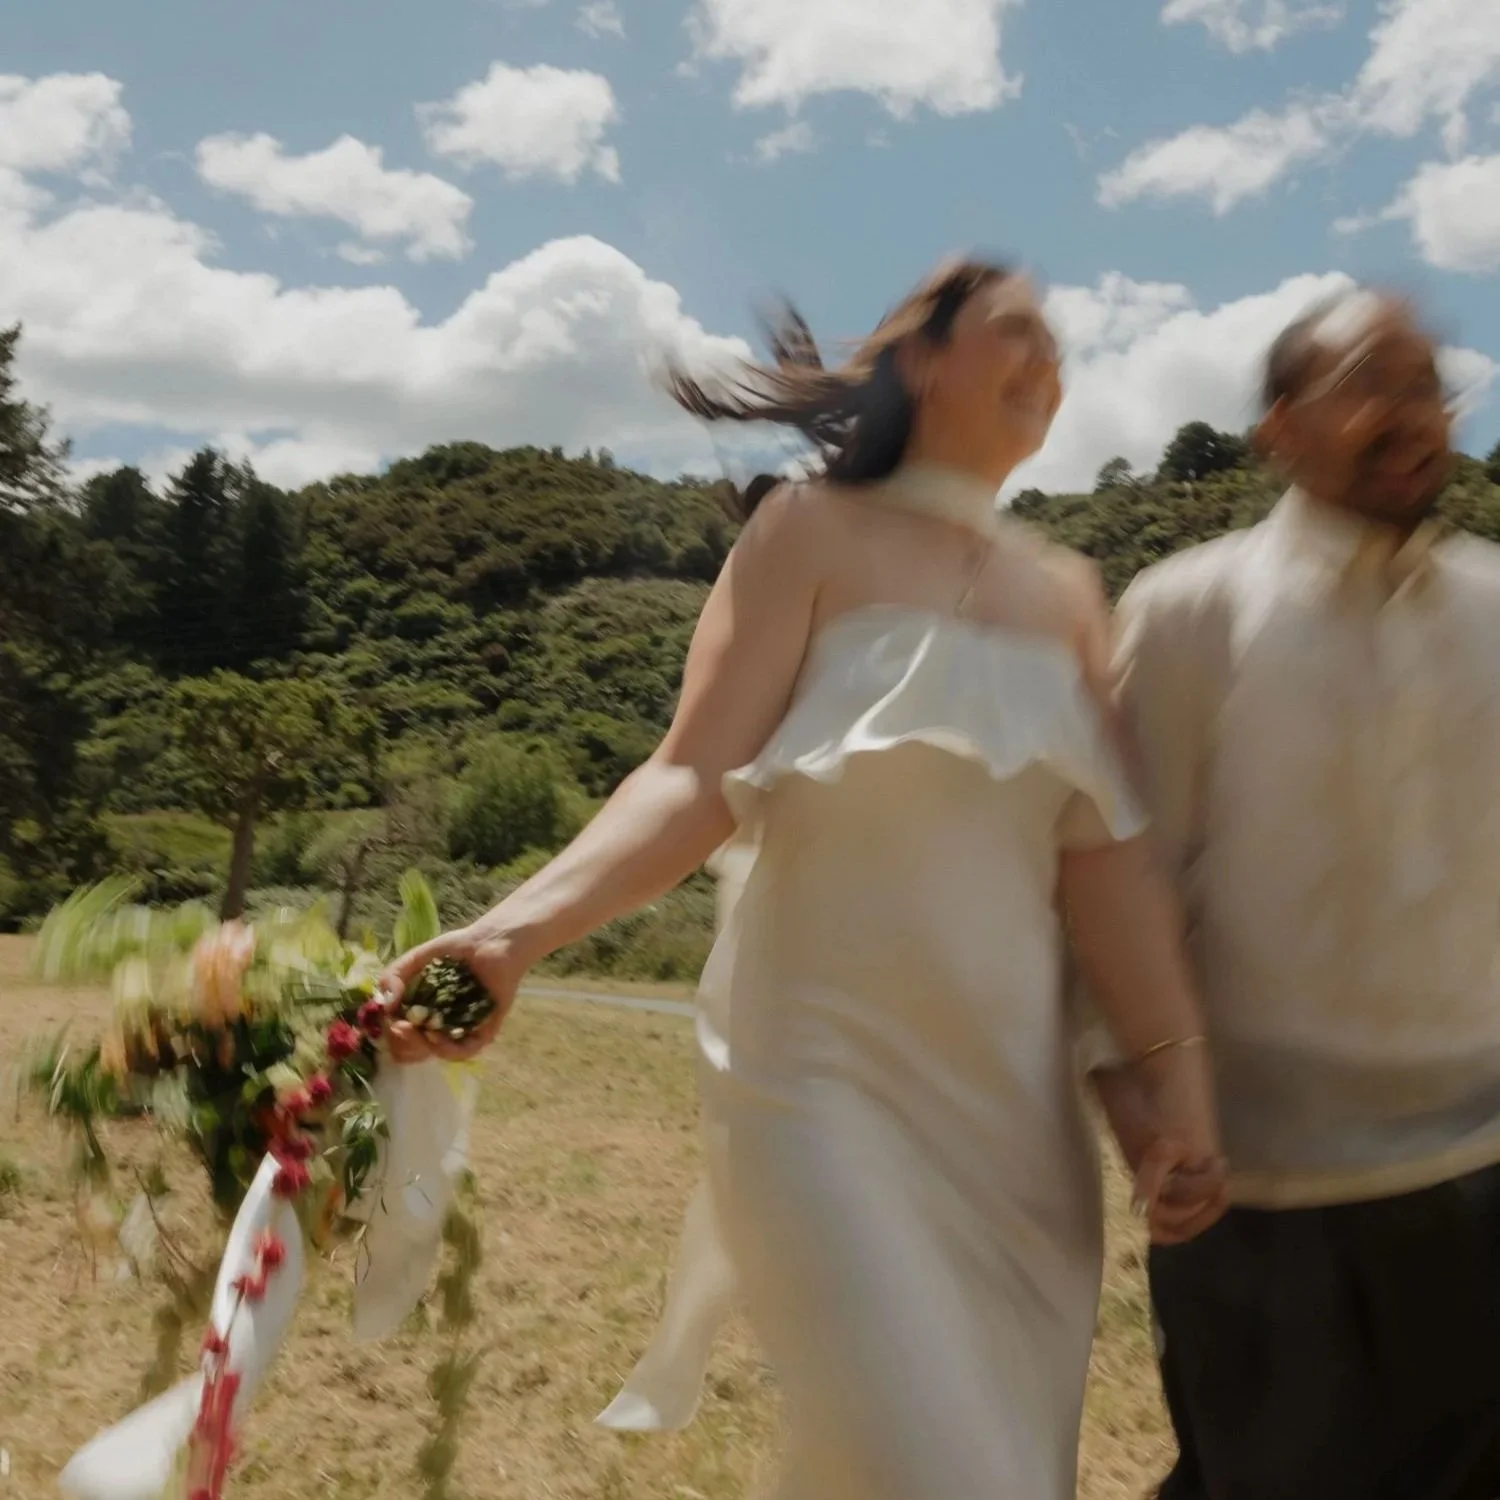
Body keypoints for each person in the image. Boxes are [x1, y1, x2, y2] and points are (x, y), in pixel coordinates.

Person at [381, 259, 1227, 1499]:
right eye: (1014, 334)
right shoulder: (808, 531)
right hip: (821, 1088)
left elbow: (1110, 880)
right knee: (940, 1466)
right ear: (919, 357)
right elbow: (689, 779)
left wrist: (1176, 1102)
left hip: (1014, 1139)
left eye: (1060, 346)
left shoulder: (1068, 596)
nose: (1048, 363)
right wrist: (511, 935)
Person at [1087, 287, 1500, 1500]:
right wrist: (1145, 1119)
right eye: (1370, 382)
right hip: (1267, 1202)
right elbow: (1123, 895)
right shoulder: (1185, 613)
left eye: (1427, 385)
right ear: (1276, 428)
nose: (1411, 413)